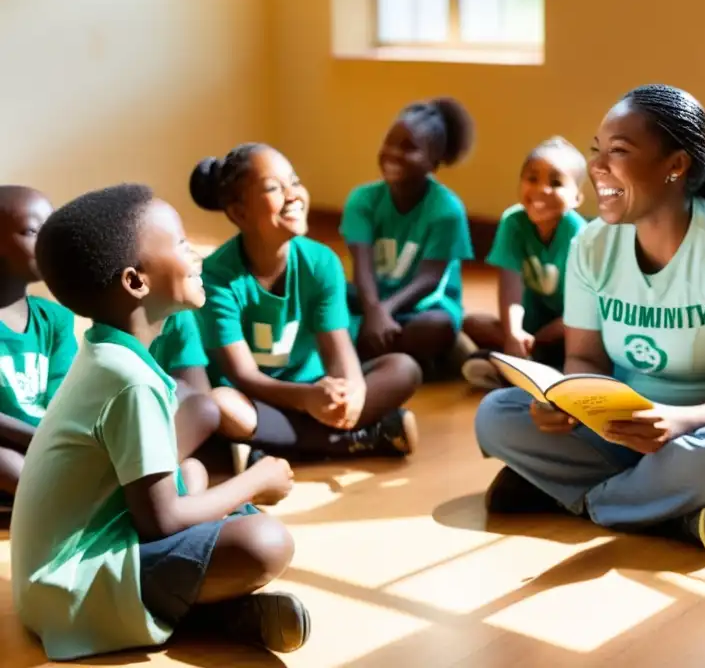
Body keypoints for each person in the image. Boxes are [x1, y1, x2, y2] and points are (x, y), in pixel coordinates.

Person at [474, 84, 705, 553]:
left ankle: (578, 499)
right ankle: (669, 511)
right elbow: (585, 357)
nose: (597, 168)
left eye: (619, 152)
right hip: (627, 427)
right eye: (597, 151)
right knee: (496, 414)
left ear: (676, 166)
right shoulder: (591, 245)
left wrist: (679, 422)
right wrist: (569, 402)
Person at [11, 184, 309, 661]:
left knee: (190, 475)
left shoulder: (109, 353)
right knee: (265, 542)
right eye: (182, 245)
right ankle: (212, 617)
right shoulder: (129, 381)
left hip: (57, 574)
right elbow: (161, 520)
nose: (198, 256)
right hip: (68, 590)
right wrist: (254, 481)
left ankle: (212, 613)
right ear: (135, 282)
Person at [191, 143, 422, 464]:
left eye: (295, 182)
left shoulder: (321, 262)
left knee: (403, 369)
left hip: (314, 388)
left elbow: (338, 352)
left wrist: (351, 392)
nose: (293, 195)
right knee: (222, 405)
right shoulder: (217, 279)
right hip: (259, 396)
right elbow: (245, 376)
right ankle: (359, 439)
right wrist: (306, 400)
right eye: (274, 188)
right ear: (239, 212)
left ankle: (275, 447)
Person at [341, 97, 475, 377]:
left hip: (420, 308)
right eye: (389, 143)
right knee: (324, 293)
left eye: (409, 148)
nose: (393, 153)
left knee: (436, 327)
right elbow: (362, 269)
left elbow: (429, 280)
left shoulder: (447, 210)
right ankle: (408, 359)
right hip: (372, 301)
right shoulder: (362, 200)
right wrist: (374, 310)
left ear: (434, 163)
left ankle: (360, 353)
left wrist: (382, 312)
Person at [460, 136, 588, 388]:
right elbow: (510, 285)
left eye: (556, 182)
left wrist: (536, 340)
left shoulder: (579, 235)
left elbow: (580, 308)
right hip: (530, 325)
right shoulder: (513, 222)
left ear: (576, 199)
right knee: (471, 324)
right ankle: (523, 365)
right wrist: (513, 333)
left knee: (581, 334)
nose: (542, 189)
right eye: (532, 179)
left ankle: (519, 367)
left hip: (566, 327)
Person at [0, 186, 77, 509]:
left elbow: (65, 397)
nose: (47, 245)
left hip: (50, 448)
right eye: (32, 231)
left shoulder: (55, 318)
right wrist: (39, 441)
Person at [149, 309, 259, 473]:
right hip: (130, 463)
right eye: (187, 279)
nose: (200, 281)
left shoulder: (179, 316)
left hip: (153, 455)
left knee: (193, 472)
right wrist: (256, 482)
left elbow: (202, 411)